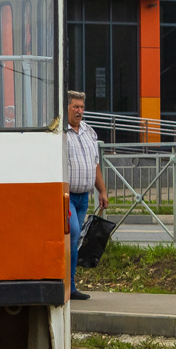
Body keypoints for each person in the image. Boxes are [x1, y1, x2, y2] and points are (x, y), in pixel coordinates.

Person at [67, 90, 108, 300]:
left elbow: (95, 164)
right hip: (67, 196)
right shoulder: (61, 134)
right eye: (75, 106)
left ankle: (71, 285)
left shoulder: (88, 132)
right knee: (74, 233)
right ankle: (67, 285)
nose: (79, 111)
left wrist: (102, 190)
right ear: (66, 108)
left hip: (84, 197)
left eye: (82, 107)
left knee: (75, 241)